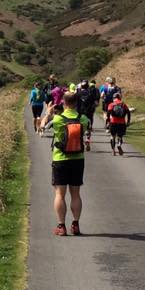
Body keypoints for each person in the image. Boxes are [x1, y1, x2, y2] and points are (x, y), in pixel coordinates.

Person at [51, 91, 89, 236]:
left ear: (63, 102)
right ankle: (76, 224)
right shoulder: (83, 119)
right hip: (78, 159)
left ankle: (61, 226)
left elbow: (47, 124)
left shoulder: (58, 119)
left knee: (60, 194)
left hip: (60, 159)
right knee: (76, 194)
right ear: (76, 103)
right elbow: (85, 129)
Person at [77, 79, 99, 151]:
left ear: (81, 86)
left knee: (79, 129)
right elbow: (96, 103)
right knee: (88, 128)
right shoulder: (91, 94)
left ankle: (80, 141)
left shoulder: (78, 94)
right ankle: (87, 139)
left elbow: (74, 104)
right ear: (87, 86)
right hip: (89, 113)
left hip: (80, 114)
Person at [107, 92, 132, 156]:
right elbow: (128, 113)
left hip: (113, 122)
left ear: (113, 98)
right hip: (122, 123)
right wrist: (128, 121)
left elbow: (108, 112)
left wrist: (108, 121)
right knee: (120, 137)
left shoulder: (111, 104)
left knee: (112, 137)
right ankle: (119, 145)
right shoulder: (123, 104)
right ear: (120, 98)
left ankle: (113, 151)